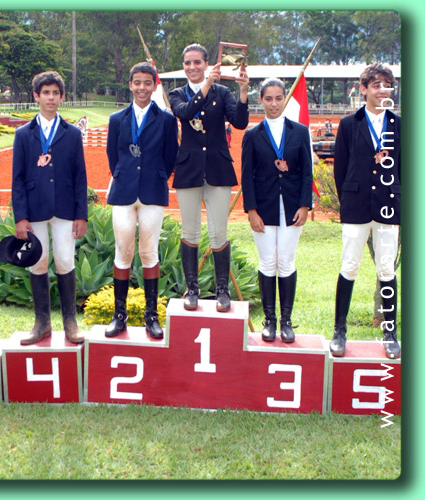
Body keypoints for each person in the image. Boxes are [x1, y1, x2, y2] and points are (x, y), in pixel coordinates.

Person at [168, 43, 249, 312]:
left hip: (218, 168)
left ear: (206, 64)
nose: (192, 67)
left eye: (198, 62)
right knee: (189, 231)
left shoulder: (222, 92)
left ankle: (222, 291)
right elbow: (185, 113)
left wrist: (243, 91)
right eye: (188, 63)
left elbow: (238, 122)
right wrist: (206, 86)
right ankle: (192, 289)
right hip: (189, 169)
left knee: (219, 233)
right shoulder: (177, 93)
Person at [329, 64, 401, 359]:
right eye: (376, 85)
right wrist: (347, 201)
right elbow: (340, 168)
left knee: (386, 268)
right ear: (364, 89)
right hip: (357, 205)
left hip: (387, 205)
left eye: (387, 85)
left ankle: (390, 333)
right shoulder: (349, 124)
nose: (382, 90)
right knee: (350, 266)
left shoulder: (398, 124)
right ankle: (339, 330)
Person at [12, 70, 88, 345]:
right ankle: (42, 322)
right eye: (46, 93)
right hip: (34, 210)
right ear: (36, 96)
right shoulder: (23, 134)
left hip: (65, 209)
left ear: (62, 97)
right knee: (38, 263)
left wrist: (82, 214)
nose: (51, 98)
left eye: (56, 93)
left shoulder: (71, 134)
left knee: (66, 261)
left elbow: (80, 176)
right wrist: (20, 217)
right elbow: (17, 178)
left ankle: (70, 321)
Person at [104, 62, 179, 339]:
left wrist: (157, 175)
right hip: (124, 192)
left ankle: (151, 316)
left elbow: (171, 155)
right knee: (122, 252)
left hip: (152, 191)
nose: (142, 88)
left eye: (147, 83)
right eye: (137, 82)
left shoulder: (167, 120)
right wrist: (124, 174)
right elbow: (113, 155)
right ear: (130, 85)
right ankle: (119, 315)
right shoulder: (116, 119)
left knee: (149, 253)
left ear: (154, 85)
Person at [241, 78, 313, 343]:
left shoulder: (300, 132)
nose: (273, 104)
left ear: (285, 99)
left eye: (278, 98)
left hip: (293, 207)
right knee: (268, 262)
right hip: (264, 207)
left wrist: (305, 205)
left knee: (286, 261)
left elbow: (307, 172)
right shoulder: (252, 135)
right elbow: (247, 176)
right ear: (261, 100)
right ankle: (269, 320)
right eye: (268, 99)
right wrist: (251, 210)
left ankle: (286, 320)